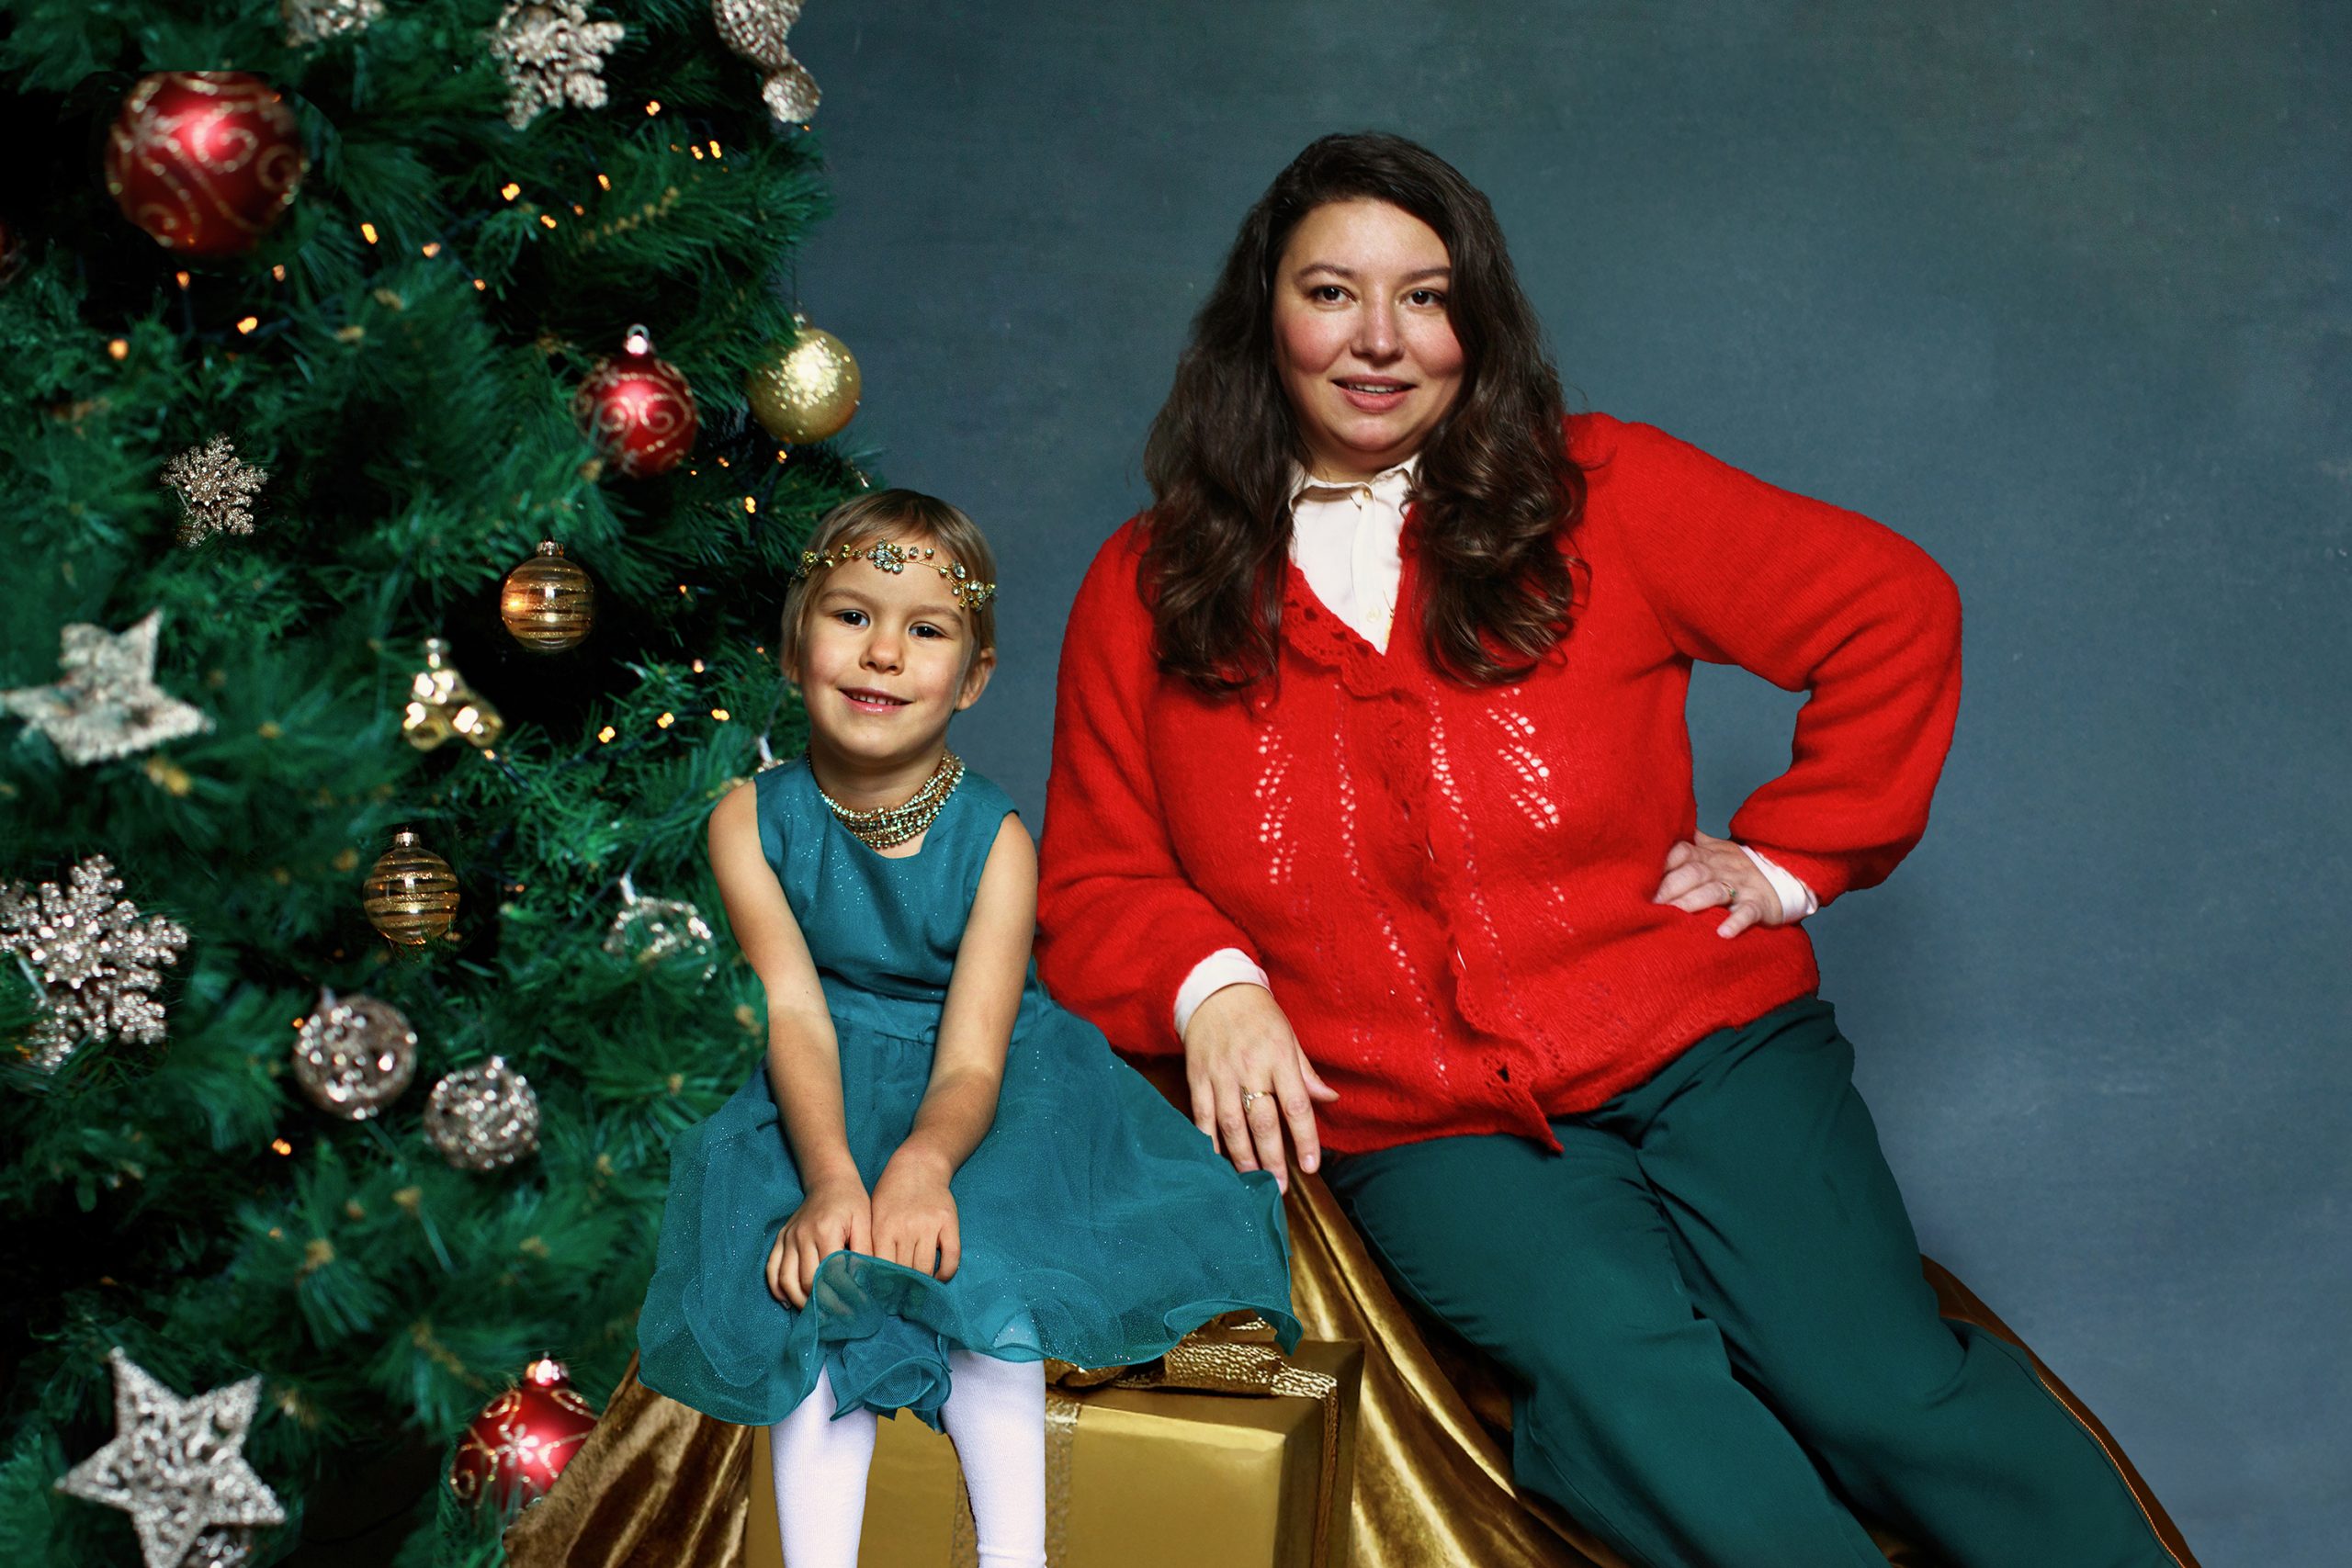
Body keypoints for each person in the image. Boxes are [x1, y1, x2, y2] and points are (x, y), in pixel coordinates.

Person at [1036, 132, 2188, 1568]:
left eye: (1425, 297)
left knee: (1879, 1385)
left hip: (1713, 1050)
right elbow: (1093, 876)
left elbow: (1891, 608)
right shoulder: (1148, 584)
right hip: (1426, 1126)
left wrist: (1795, 857)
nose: (1380, 339)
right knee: (1636, 1392)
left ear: (1475, 322)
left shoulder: (1599, 491)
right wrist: (1211, 982)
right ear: (1264, 317)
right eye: (1332, 292)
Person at [637, 490, 1298, 1568]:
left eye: (927, 629)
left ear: (974, 676)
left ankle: (1014, 1560)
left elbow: (974, 1056)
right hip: (814, 1082)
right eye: (852, 614)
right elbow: (793, 1009)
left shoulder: (994, 839)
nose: (883, 652)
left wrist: (923, 1166)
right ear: (794, 645)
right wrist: (831, 1181)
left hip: (981, 1088)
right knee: (812, 1294)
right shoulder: (747, 821)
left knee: (984, 1288)